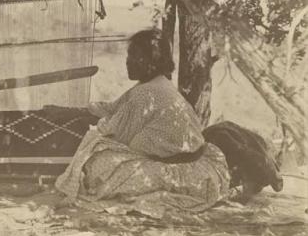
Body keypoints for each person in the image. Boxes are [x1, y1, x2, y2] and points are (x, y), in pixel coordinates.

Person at [55, 29, 230, 214]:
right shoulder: (157, 83)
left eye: (135, 56)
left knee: (97, 162)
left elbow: (115, 134)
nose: (127, 61)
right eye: (129, 55)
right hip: (199, 171)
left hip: (177, 173)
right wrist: (77, 111)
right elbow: (115, 108)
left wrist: (85, 123)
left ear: (152, 62)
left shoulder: (145, 93)